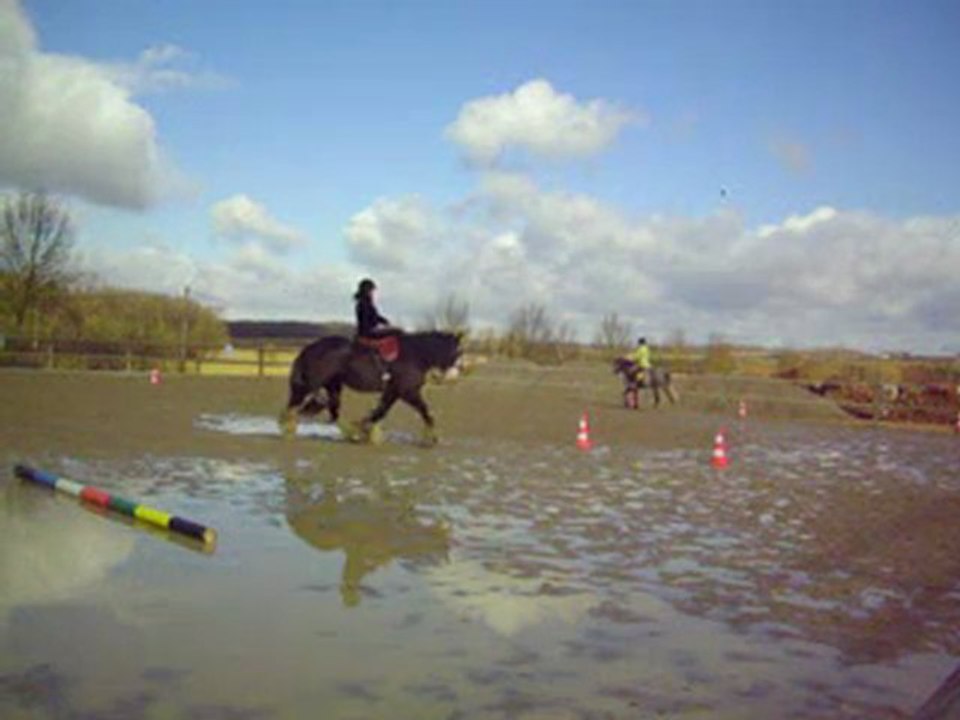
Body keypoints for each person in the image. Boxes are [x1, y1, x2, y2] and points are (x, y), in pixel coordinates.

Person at [353, 278, 394, 381]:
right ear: (367, 291)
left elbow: (375, 316)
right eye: (372, 291)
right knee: (390, 338)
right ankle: (383, 370)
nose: (373, 293)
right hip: (367, 332)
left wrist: (384, 321)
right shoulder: (363, 304)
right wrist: (377, 326)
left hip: (370, 329)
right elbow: (367, 320)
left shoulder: (367, 303)